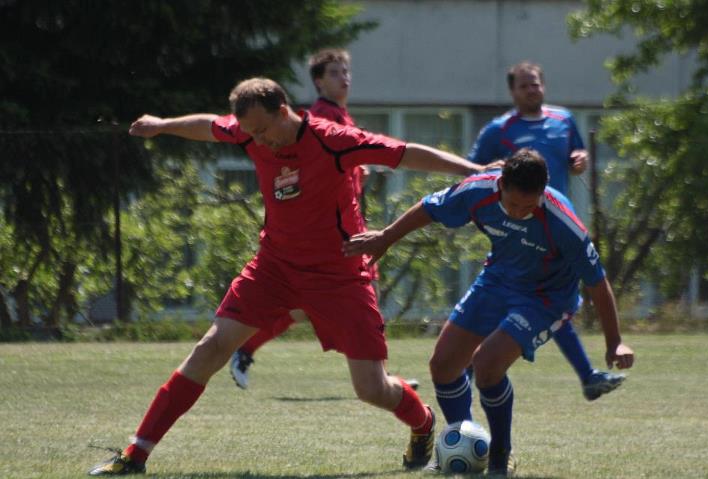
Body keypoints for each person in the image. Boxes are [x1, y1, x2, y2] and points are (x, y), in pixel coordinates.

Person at [88, 77, 495, 476]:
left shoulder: (331, 139)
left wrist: (473, 169)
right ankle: (135, 454)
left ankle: (422, 423)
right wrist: (163, 125)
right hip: (275, 266)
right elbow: (209, 126)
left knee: (371, 388)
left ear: (283, 110)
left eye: (263, 130)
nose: (258, 141)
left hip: (339, 273)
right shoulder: (250, 132)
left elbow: (405, 153)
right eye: (250, 133)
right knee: (211, 348)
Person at [343, 148, 635, 477]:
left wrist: (615, 343)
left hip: (546, 298)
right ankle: (463, 439)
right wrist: (386, 237)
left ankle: (499, 455)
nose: (520, 212)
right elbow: (429, 208)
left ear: (543, 192)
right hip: (497, 280)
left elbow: (598, 284)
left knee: (487, 365)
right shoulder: (478, 191)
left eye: (529, 206)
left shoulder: (563, 222)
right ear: (501, 186)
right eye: (512, 205)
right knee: (443, 365)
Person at [227, 49, 419, 391]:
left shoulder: (339, 115)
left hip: (348, 224)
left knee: (312, 307)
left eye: (345, 70)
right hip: (324, 236)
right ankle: (246, 346)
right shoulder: (315, 120)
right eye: (333, 72)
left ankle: (379, 378)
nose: (343, 77)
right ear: (318, 81)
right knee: (307, 306)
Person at [466, 61, 625, 401]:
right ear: (512, 92)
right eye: (524, 86)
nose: (531, 90)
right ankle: (466, 365)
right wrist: (486, 171)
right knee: (541, 297)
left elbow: (576, 154)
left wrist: (580, 159)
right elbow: (473, 168)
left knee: (547, 297)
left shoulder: (563, 120)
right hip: (517, 225)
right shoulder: (499, 129)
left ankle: (466, 366)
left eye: (535, 84)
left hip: (558, 225)